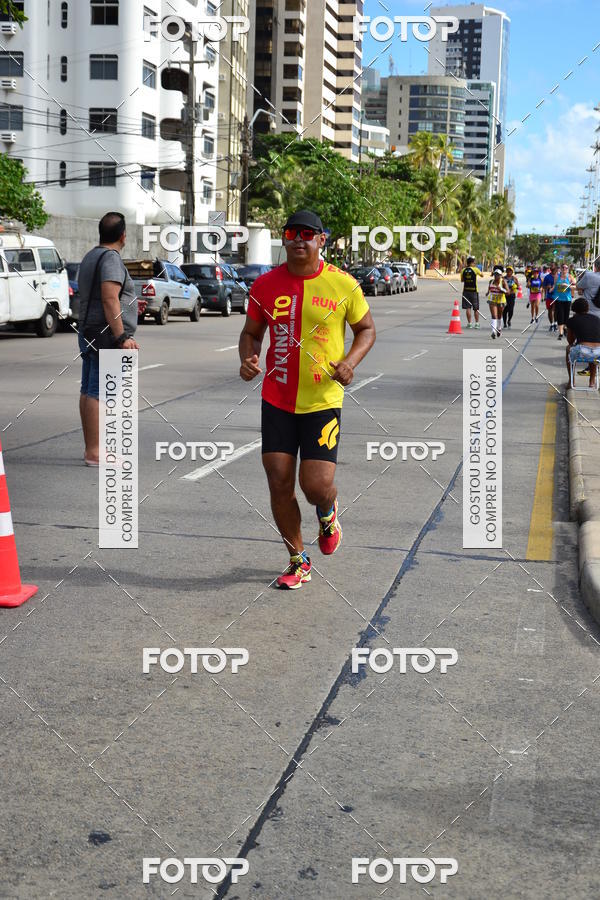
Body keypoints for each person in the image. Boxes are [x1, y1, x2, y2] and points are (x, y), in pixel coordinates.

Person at [238, 210, 376, 590]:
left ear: (321, 240)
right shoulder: (265, 285)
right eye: (292, 233)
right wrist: (247, 358)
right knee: (279, 480)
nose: (299, 239)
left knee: (315, 485)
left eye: (307, 234)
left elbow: (366, 330)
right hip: (277, 398)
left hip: (322, 400)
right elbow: (251, 332)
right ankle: (298, 559)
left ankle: (327, 511)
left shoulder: (343, 284)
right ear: (284, 239)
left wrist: (350, 362)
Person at [77, 212, 140, 466]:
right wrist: (121, 336)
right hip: (106, 335)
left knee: (88, 389)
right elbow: (109, 298)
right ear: (123, 235)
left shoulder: (91, 256)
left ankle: (92, 448)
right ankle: (95, 452)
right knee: (100, 392)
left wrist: (132, 305)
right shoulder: (112, 259)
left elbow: (108, 297)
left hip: (89, 330)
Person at [565, 297, 600, 387]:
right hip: (598, 351)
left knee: (568, 348)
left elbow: (570, 341)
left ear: (574, 309)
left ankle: (571, 381)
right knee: (593, 357)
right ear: (587, 308)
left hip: (583, 350)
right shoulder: (596, 319)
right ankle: (592, 382)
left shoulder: (572, 320)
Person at [554, 262, 575, 341]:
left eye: (566, 268)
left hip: (567, 299)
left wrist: (568, 286)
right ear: (561, 268)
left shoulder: (570, 277)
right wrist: (552, 289)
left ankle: (565, 328)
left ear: (568, 269)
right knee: (560, 315)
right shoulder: (557, 277)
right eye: (563, 268)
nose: (564, 269)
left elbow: (575, 285)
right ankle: (561, 333)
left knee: (566, 316)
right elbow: (554, 285)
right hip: (558, 299)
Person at [460, 256, 482, 329]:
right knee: (476, 308)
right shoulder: (475, 269)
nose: (475, 263)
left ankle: (469, 323)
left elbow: (462, 280)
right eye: (474, 262)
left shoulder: (463, 270)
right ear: (472, 263)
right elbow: (482, 275)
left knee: (468, 308)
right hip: (474, 291)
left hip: (466, 291)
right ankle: (477, 323)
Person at [486, 269, 508, 339]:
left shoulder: (503, 282)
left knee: (499, 316)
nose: (496, 276)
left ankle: (499, 329)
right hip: (492, 300)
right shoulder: (491, 281)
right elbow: (489, 289)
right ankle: (493, 332)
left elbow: (508, 292)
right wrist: (487, 293)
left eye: (498, 275)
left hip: (501, 301)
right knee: (494, 316)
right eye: (495, 274)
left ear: (501, 276)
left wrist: (501, 289)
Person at [543, 264, 557, 332]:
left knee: (556, 311)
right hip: (549, 296)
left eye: (554, 269)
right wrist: (547, 287)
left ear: (556, 269)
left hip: (557, 296)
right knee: (550, 311)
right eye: (551, 269)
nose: (553, 270)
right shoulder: (547, 277)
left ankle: (555, 323)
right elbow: (543, 287)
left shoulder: (559, 277)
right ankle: (551, 324)